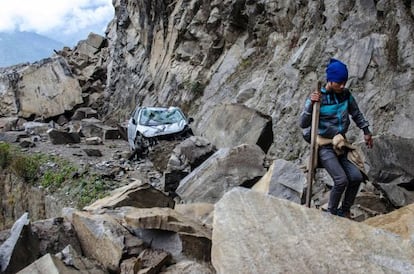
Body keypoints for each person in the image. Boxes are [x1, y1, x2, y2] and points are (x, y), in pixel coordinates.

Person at [299, 58, 374, 218]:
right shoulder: (318, 97)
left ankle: (344, 211)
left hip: (340, 143)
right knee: (341, 180)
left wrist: (366, 131)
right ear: (330, 80)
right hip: (323, 146)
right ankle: (330, 213)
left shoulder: (345, 95)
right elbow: (303, 123)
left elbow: (356, 114)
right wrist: (311, 105)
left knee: (356, 177)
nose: (342, 86)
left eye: (344, 82)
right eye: (339, 82)